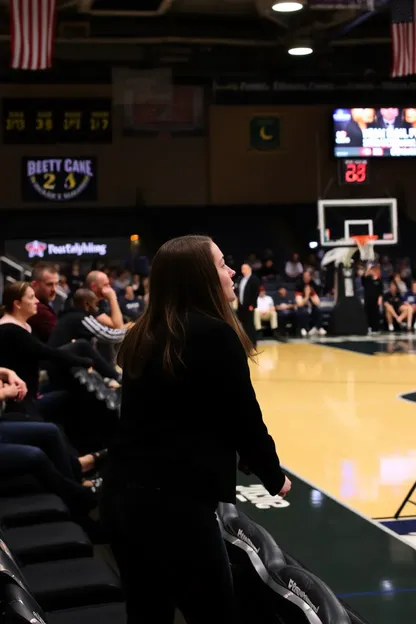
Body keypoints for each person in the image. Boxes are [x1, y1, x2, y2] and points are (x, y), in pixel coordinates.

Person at [101, 235, 290, 624]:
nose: (232, 271)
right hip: (175, 505)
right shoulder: (213, 333)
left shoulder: (144, 332)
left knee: (147, 612)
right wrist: (273, 475)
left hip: (123, 496)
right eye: (222, 264)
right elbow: (243, 416)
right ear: (200, 277)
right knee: (214, 614)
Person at [0, 282, 92, 417]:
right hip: (21, 402)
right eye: (31, 297)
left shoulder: (23, 326)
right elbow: (48, 353)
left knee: (81, 345)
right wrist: (85, 362)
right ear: (17, 304)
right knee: (73, 399)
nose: (36, 301)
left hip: (32, 393)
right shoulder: (11, 329)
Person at [236, 263, 260, 347]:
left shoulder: (254, 279)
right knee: (242, 324)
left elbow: (256, 293)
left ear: (250, 269)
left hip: (249, 306)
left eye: (245, 268)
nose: (243, 270)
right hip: (241, 305)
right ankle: (244, 342)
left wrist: (253, 305)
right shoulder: (241, 279)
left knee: (250, 324)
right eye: (242, 268)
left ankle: (253, 343)